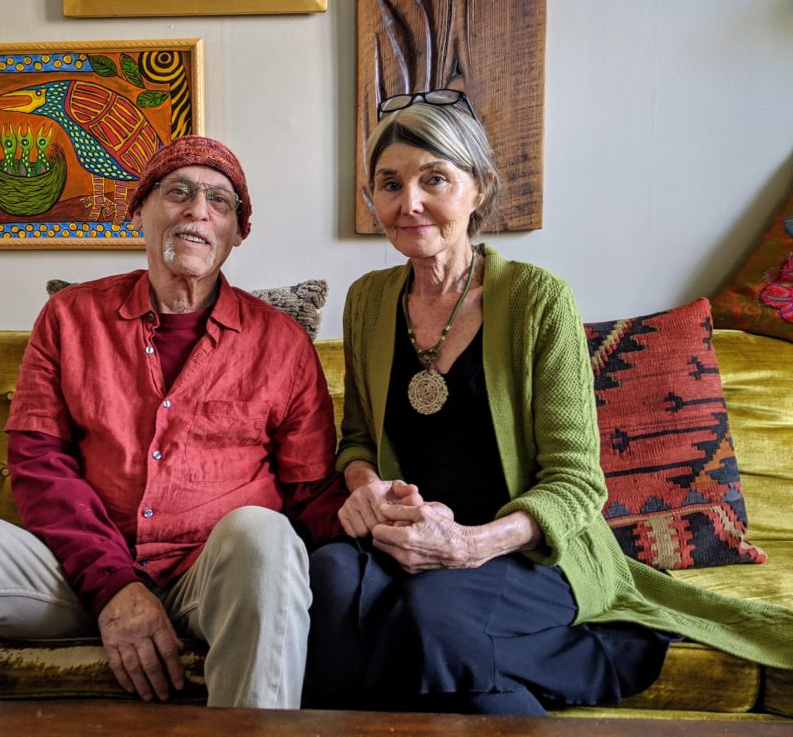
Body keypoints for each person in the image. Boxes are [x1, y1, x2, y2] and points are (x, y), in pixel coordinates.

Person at [302, 91, 793, 715]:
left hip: (525, 548)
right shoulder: (368, 299)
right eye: (389, 183)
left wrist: (471, 545)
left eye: (435, 179)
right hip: (408, 540)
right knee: (328, 582)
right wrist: (364, 483)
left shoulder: (538, 300)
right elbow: (358, 439)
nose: (410, 203)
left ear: (478, 188)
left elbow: (576, 483)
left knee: (429, 618)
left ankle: (597, 655)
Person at [0, 135, 346, 708]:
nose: (198, 209)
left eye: (220, 202)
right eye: (178, 192)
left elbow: (310, 488)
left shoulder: (281, 342)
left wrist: (382, 514)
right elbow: (38, 463)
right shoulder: (70, 318)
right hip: (80, 569)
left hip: (212, 575)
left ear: (238, 233)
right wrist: (112, 585)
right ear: (139, 209)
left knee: (267, 536)